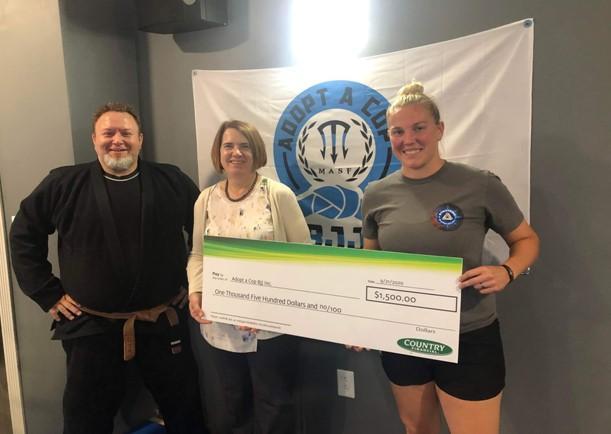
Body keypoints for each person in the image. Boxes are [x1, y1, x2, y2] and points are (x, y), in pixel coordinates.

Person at [9, 103, 208, 434]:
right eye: (109, 133)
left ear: (140, 139)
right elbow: (23, 235)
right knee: (86, 421)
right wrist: (48, 293)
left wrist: (195, 283)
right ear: (94, 139)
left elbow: (205, 234)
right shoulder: (64, 183)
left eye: (126, 133)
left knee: (185, 413)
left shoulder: (170, 180)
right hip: (91, 327)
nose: (118, 140)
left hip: (162, 323)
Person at [361, 82, 540, 434]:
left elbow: (526, 239)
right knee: (417, 429)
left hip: (468, 335)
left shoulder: (479, 184)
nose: (408, 139)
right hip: (403, 335)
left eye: (419, 128)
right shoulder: (376, 194)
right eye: (398, 131)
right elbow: (370, 265)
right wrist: (360, 319)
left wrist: (508, 270)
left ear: (439, 129)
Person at [187, 120, 310, 434]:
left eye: (244, 146)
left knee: (276, 406)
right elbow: (199, 254)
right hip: (222, 326)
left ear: (256, 152)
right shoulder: (205, 200)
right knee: (233, 403)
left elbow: (305, 258)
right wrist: (195, 291)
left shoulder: (278, 196)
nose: (236, 153)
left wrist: (266, 305)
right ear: (219, 152)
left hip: (272, 328)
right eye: (228, 145)